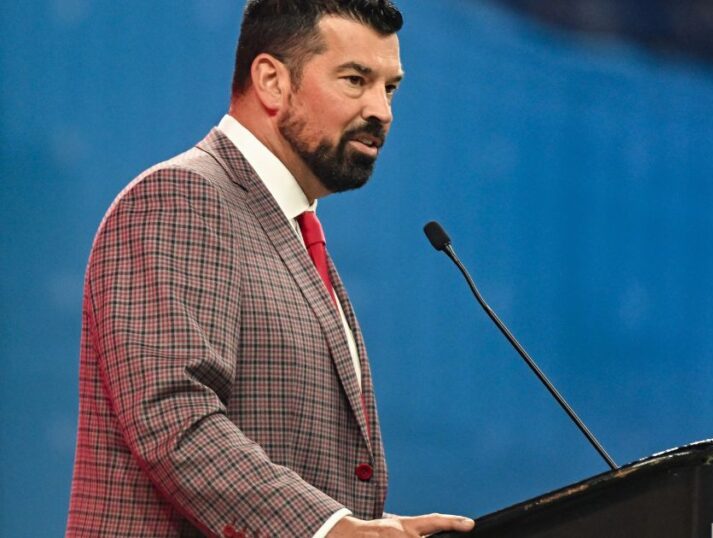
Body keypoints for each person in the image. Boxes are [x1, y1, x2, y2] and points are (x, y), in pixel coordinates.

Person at [65, 1, 474, 536]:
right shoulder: (180, 199)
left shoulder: (291, 229)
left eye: (390, 87)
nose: (382, 110)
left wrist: (369, 526)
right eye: (356, 80)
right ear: (271, 81)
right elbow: (174, 419)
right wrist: (329, 529)